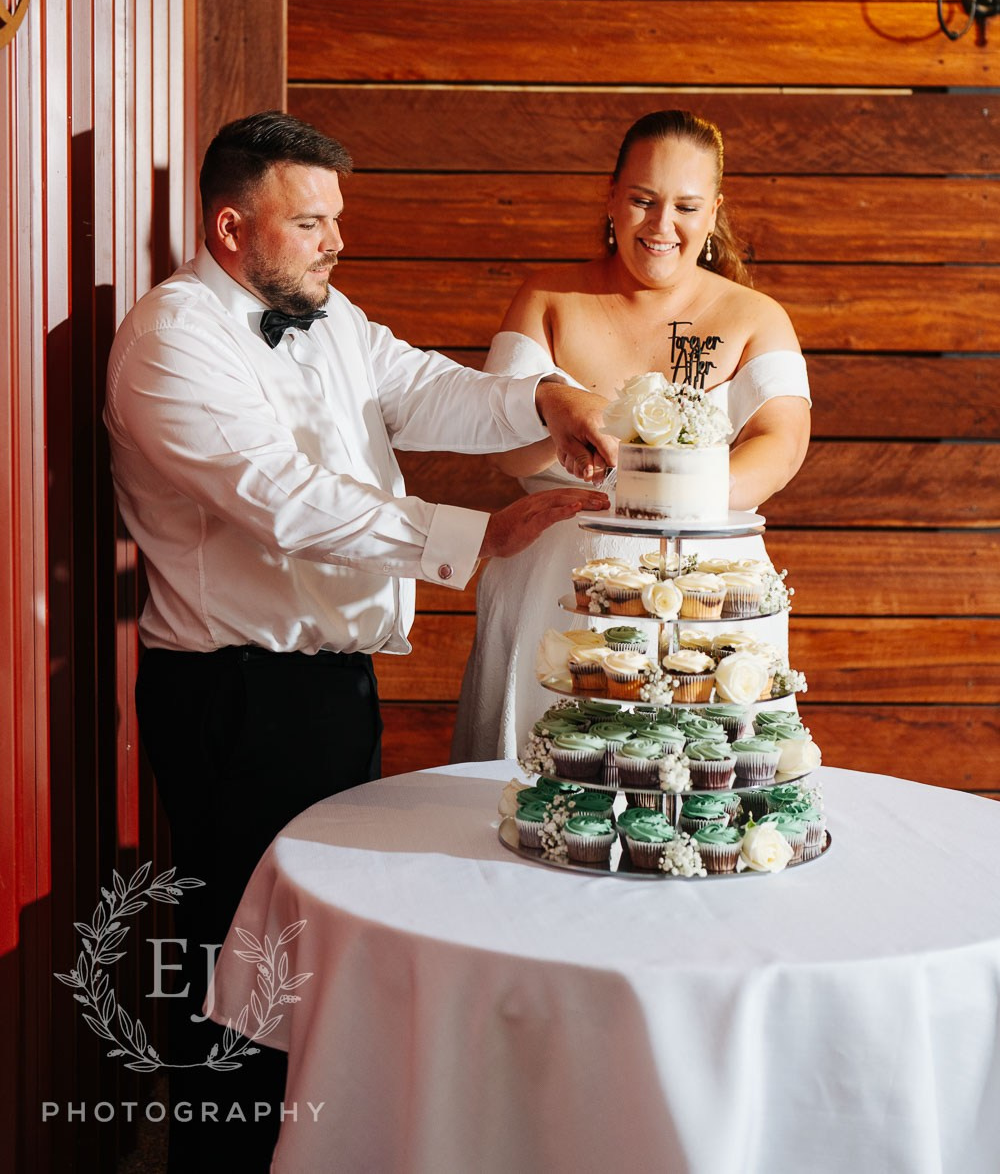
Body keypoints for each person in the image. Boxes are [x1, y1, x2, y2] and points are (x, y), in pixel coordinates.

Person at [103, 110, 614, 1172]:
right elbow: (282, 501)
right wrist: (471, 538)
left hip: (330, 690)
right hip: (233, 697)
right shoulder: (169, 338)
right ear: (230, 227)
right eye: (310, 223)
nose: (336, 241)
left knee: (314, 964)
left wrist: (544, 399)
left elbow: (424, 387)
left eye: (336, 218)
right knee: (242, 975)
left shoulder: (326, 313)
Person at [452, 108, 812, 763]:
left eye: (686, 206)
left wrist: (676, 496)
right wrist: (565, 420)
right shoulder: (546, 299)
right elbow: (504, 449)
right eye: (643, 200)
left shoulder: (758, 316)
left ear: (713, 212)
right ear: (612, 196)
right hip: (553, 583)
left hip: (703, 590)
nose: (661, 225)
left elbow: (781, 443)